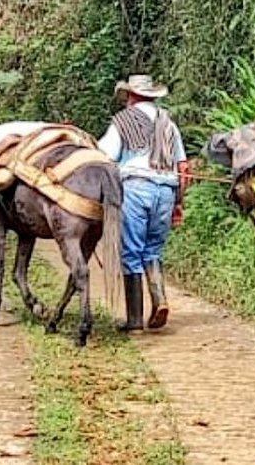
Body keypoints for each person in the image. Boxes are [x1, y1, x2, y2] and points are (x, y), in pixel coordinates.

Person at [98, 74, 191, 331]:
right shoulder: (168, 123)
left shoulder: (121, 121)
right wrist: (178, 203)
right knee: (152, 250)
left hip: (136, 188)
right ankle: (159, 300)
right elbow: (183, 167)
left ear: (131, 96)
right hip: (166, 190)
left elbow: (104, 157)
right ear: (152, 96)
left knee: (131, 252)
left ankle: (135, 320)